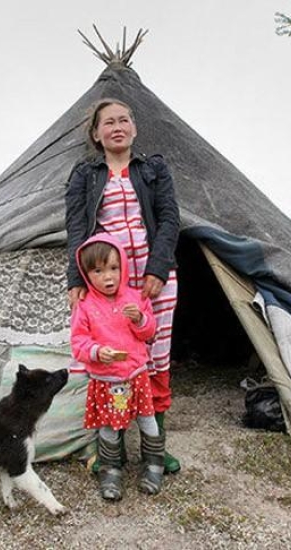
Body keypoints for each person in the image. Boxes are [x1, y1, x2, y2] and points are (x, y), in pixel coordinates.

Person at [65, 98, 181, 474]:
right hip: (106, 279)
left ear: (134, 127)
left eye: (123, 120)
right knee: (107, 359)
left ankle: (154, 447)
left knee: (156, 356)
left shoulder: (153, 169)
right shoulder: (84, 175)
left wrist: (158, 268)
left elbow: (169, 219)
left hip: (154, 277)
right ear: (96, 134)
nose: (117, 126)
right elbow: (77, 230)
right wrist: (77, 279)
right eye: (108, 123)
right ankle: (108, 448)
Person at [70, 233, 165, 499]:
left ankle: (154, 463)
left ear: (123, 266)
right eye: (98, 271)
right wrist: (98, 352)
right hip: (107, 381)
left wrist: (140, 320)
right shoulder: (85, 306)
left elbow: (150, 333)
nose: (108, 277)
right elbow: (78, 343)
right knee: (110, 426)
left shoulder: (136, 298)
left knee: (147, 419)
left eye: (113, 268)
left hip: (136, 375)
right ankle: (111, 470)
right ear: (87, 275)